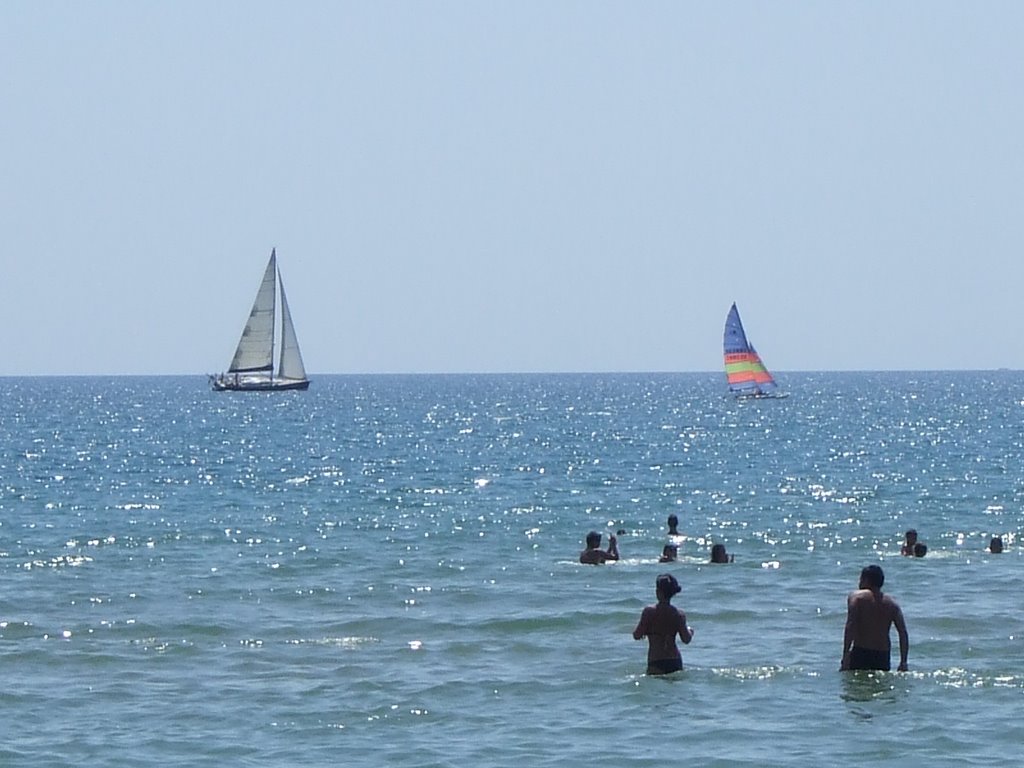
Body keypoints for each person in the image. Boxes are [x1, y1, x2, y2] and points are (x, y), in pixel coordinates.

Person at [840, 564, 909, 672]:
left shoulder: (856, 597)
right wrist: (903, 662)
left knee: (857, 687)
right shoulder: (892, 603)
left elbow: (850, 626)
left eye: (861, 579)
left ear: (866, 580)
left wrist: (845, 655)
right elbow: (903, 633)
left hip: (860, 652)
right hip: (882, 656)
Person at [633, 573, 693, 675]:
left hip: (656, 660)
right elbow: (686, 639)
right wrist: (691, 631)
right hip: (675, 661)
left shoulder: (649, 612)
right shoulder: (678, 614)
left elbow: (636, 635)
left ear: (658, 592)